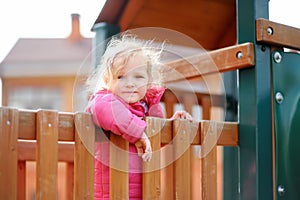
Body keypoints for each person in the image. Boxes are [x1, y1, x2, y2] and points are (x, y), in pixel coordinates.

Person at [85, 34, 192, 199]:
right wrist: (138, 132)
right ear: (108, 80)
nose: (130, 83)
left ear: (149, 82)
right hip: (110, 191)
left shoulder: (146, 107)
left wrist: (173, 125)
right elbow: (104, 109)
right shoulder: (104, 99)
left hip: (142, 190)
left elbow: (153, 141)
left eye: (138, 76)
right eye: (120, 76)